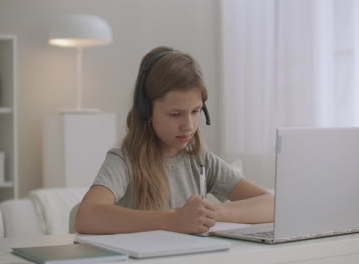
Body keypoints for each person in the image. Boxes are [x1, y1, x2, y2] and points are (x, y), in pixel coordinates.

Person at [75, 46, 274, 235]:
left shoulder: (202, 161)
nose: (188, 125)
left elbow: (272, 204)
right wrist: (173, 220)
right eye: (175, 114)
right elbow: (86, 216)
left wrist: (213, 213)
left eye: (195, 111)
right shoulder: (124, 161)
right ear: (147, 112)